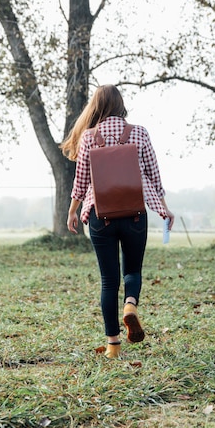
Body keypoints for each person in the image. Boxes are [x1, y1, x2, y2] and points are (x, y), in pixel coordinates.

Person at [60, 84, 174, 359]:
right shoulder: (139, 133)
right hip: (135, 213)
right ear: (121, 105)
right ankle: (131, 306)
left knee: (108, 281)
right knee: (132, 271)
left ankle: (113, 346)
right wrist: (164, 208)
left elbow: (81, 180)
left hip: (101, 217)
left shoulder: (88, 137)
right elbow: (153, 175)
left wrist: (73, 210)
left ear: (96, 107)